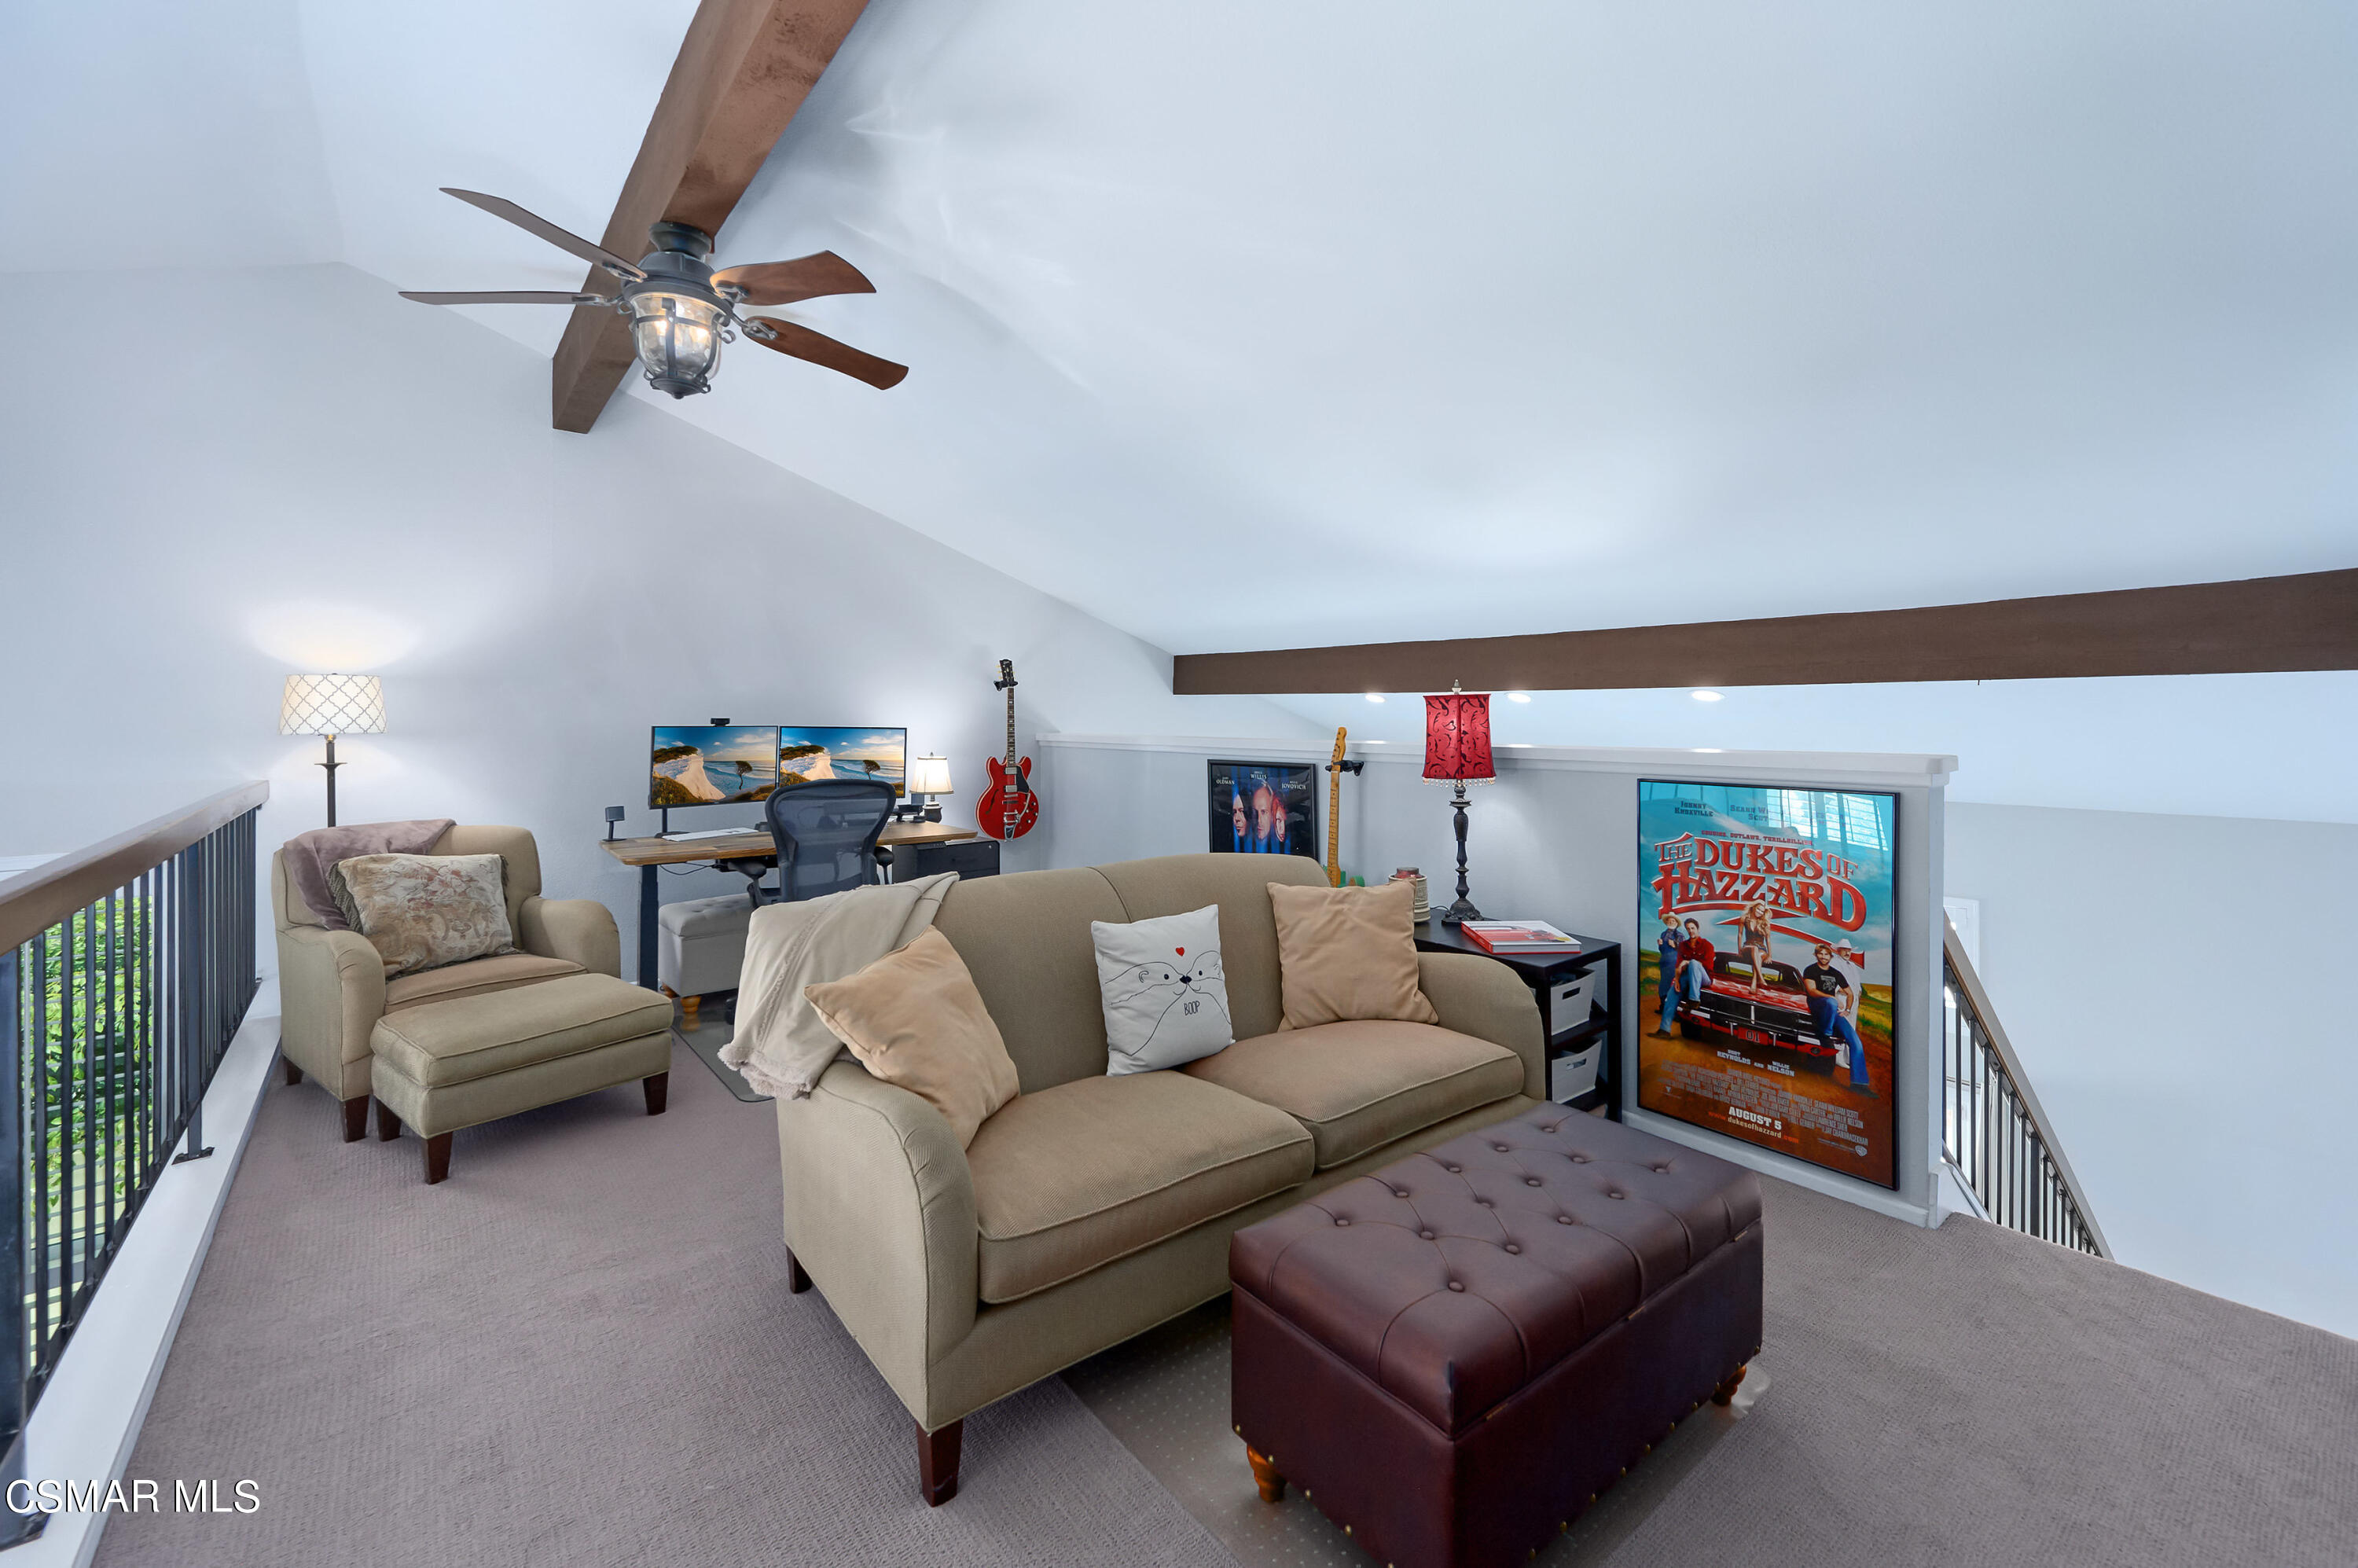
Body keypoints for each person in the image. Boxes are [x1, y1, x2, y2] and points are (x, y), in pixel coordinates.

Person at [1803, 942, 1874, 1095]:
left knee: (1855, 1042)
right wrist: (1832, 997)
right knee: (1830, 1001)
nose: (1823, 957)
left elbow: (1850, 993)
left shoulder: (1836, 973)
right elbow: (1812, 991)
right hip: (1817, 1007)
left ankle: (1859, 1083)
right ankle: (1826, 1034)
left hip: (1834, 1010)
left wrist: (1847, 1009)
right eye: (1820, 954)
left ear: (1830, 956)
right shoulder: (1810, 970)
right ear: (1816, 955)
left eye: (1826, 954)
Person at [1654, 911, 1684, 1036]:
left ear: (1676, 923)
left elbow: (1682, 949)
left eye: (1673, 921)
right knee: (1663, 984)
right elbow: (1662, 950)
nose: (1671, 922)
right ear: (1667, 922)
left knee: (1674, 985)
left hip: (1674, 962)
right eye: (1669, 921)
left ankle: (1675, 1012)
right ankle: (1663, 1007)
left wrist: (1675, 945)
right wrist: (1660, 945)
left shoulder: (1680, 935)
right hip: (1665, 961)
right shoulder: (1663, 934)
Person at [1675, 919, 1716, 1015]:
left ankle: (1694, 1001)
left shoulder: (1708, 945)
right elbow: (1678, 965)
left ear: (1698, 929)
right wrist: (1676, 981)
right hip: (1689, 977)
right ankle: (1677, 1007)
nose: (1690, 931)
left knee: (1693, 963)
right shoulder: (1682, 945)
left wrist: (1687, 962)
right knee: (1675, 987)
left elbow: (1708, 965)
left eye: (1693, 928)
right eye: (1688, 929)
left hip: (1705, 979)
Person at [1737, 900, 1774, 988]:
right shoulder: (1744, 918)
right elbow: (1740, 934)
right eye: (1758, 909)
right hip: (1747, 947)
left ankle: (1754, 982)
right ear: (1754, 908)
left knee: (1758, 954)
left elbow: (1768, 940)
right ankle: (1761, 978)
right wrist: (1739, 950)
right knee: (1754, 948)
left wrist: (1769, 955)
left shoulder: (1765, 923)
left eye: (1762, 911)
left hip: (1762, 949)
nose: (1760, 912)